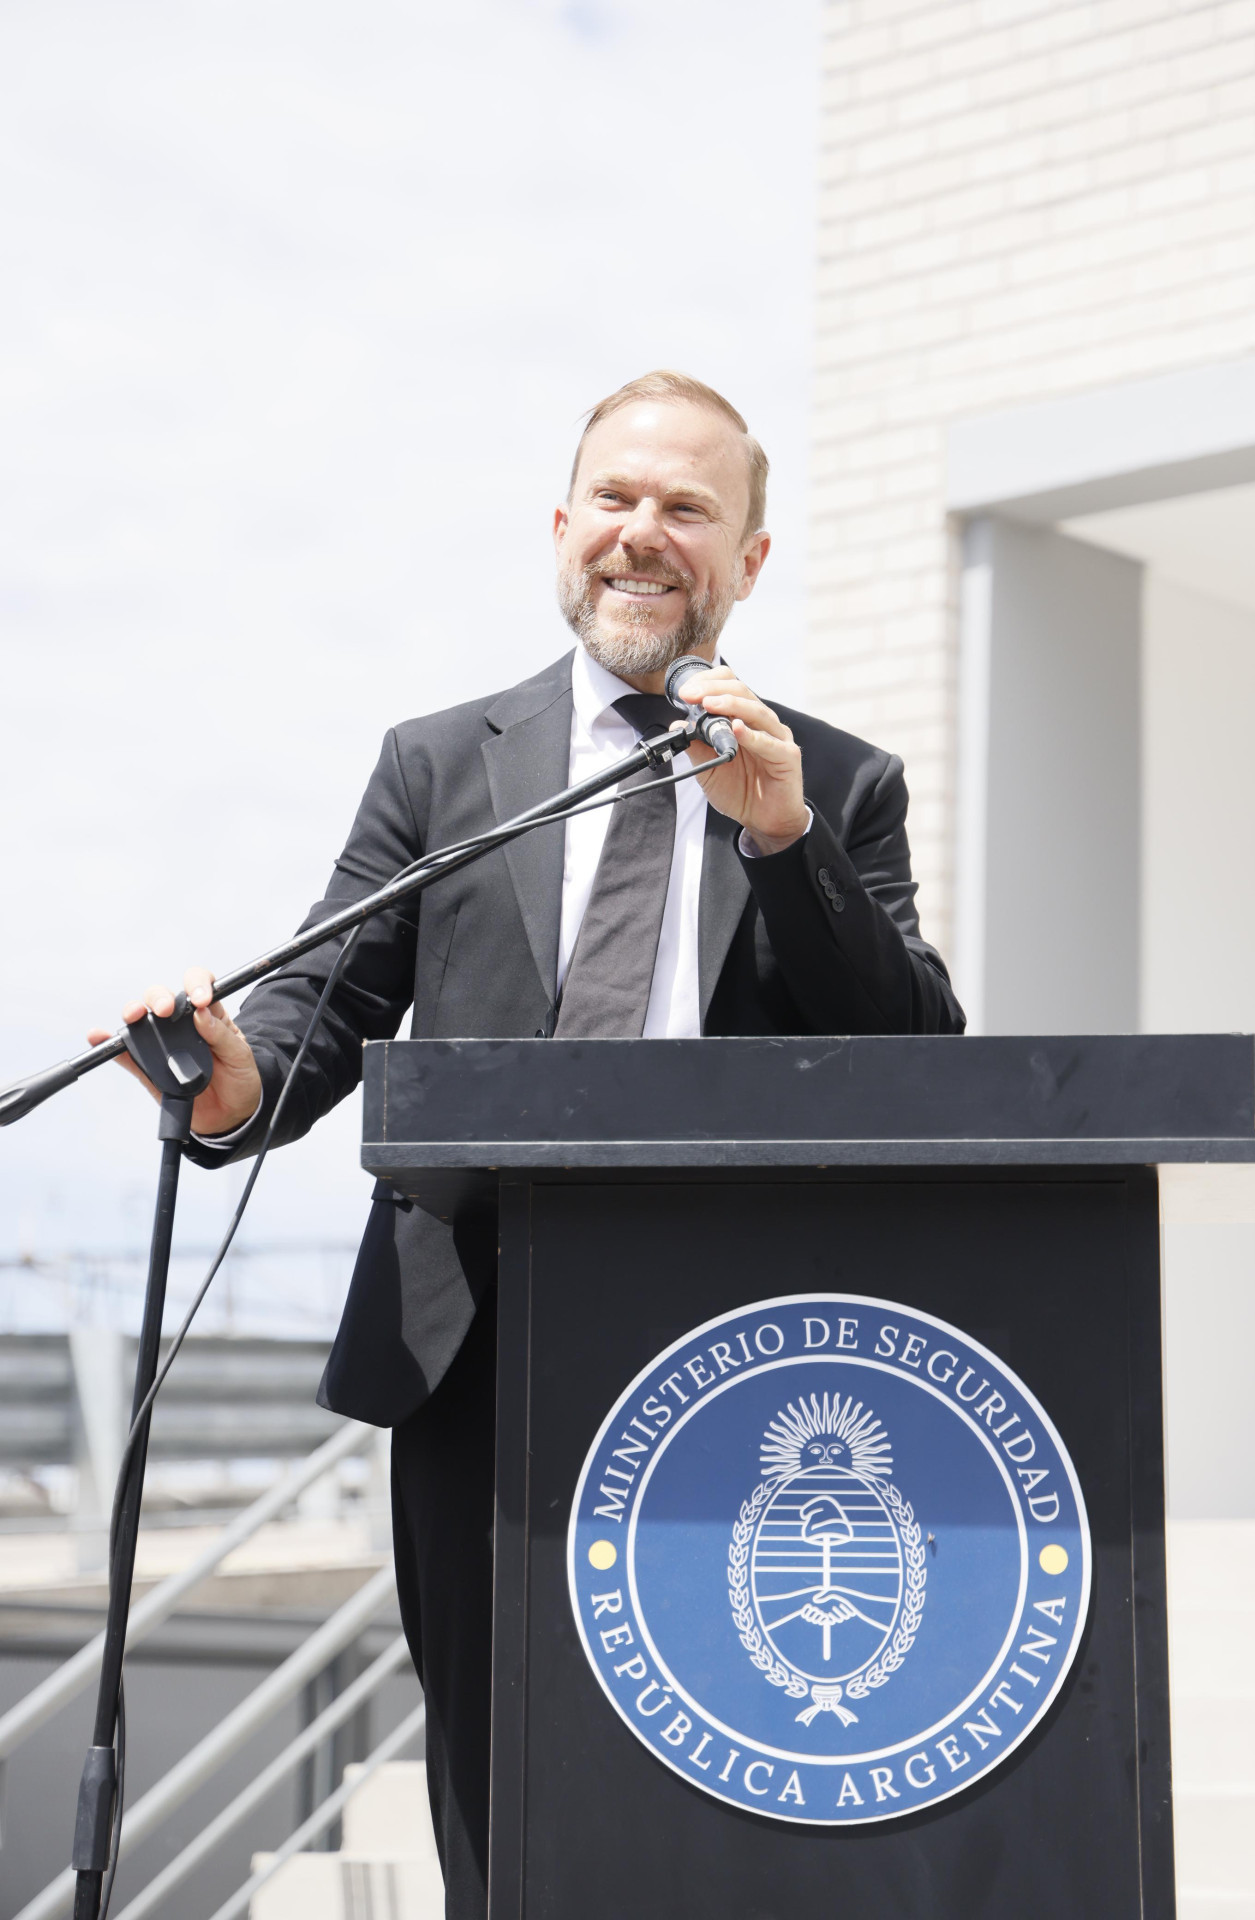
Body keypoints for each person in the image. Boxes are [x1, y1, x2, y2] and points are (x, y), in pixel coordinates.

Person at [92, 370, 964, 1918]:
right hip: (472, 1355)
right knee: (496, 1788)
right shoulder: (443, 764)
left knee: (716, 1775)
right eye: (617, 501)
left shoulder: (831, 781)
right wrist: (226, 1085)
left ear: (750, 558)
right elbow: (317, 1013)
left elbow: (910, 1058)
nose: (646, 535)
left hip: (740, 1369)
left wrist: (781, 839)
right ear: (562, 530)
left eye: (690, 509)